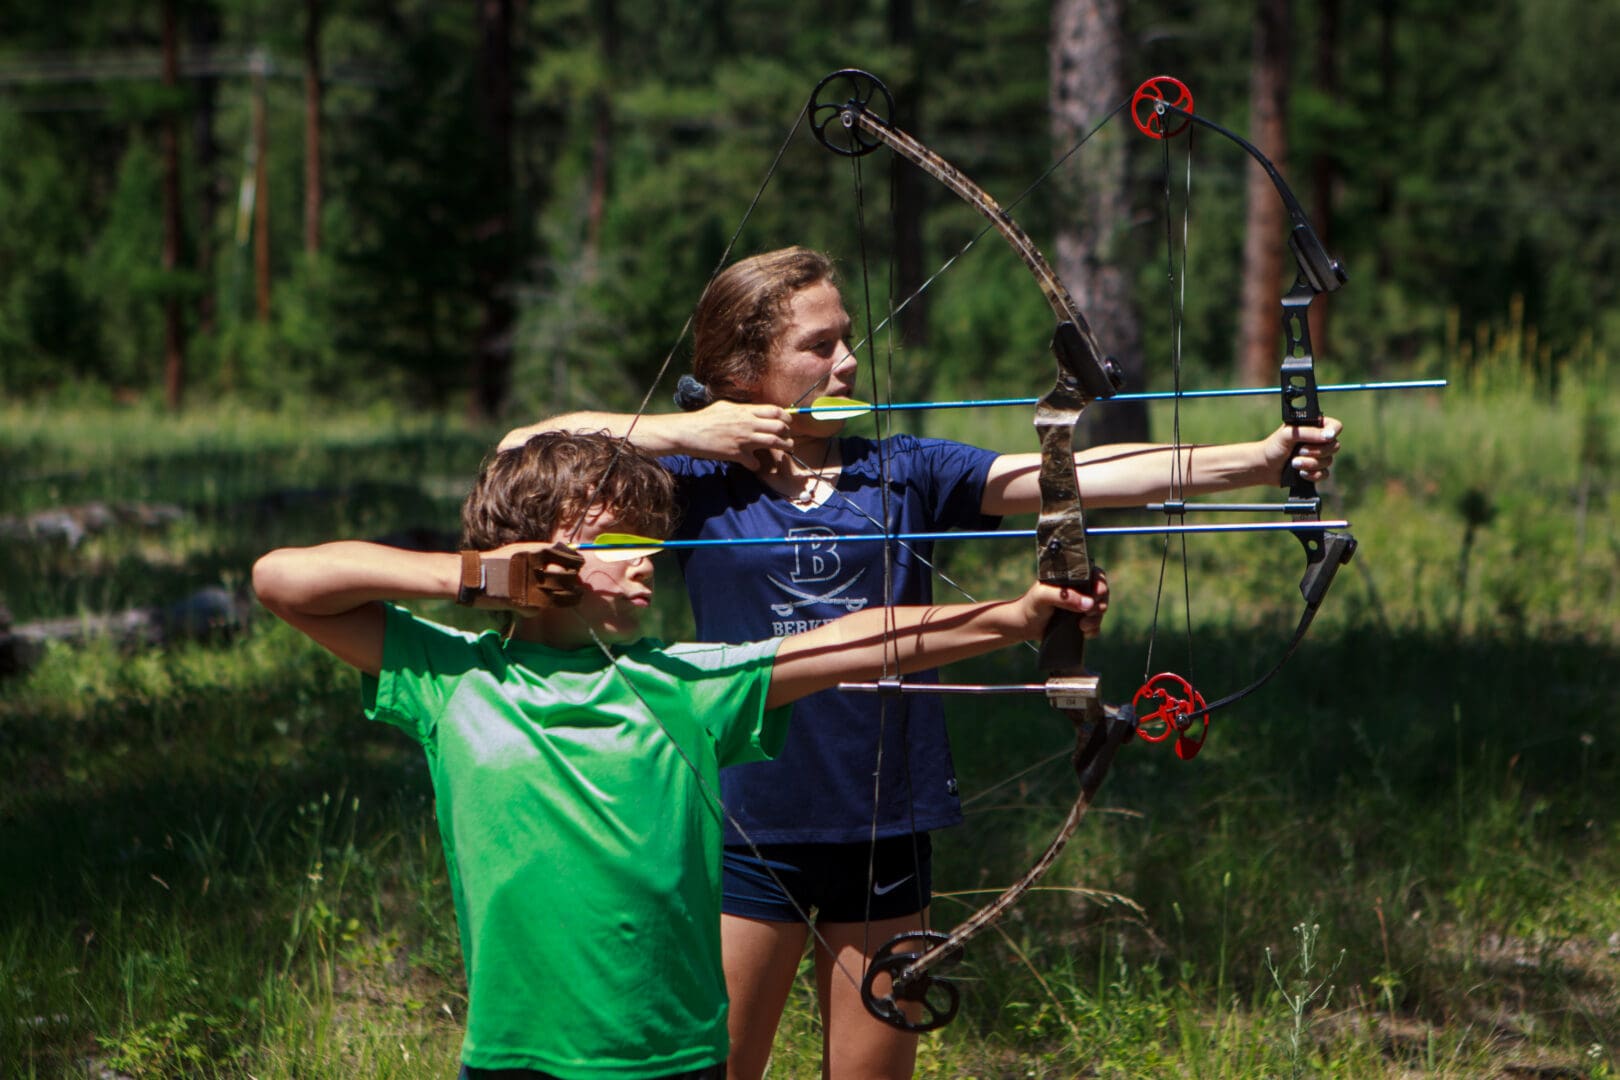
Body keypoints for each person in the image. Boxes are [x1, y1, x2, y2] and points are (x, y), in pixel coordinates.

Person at [500, 246, 1344, 1080]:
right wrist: (689, 430)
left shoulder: (903, 470)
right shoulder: (697, 479)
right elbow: (521, 447)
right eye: (819, 345)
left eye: (848, 338)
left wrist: (1262, 460)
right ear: (745, 364)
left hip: (887, 819)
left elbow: (1071, 472)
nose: (848, 360)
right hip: (744, 822)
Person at [251, 430, 1107, 1080]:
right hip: (514, 1052)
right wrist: (472, 576)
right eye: (621, 542)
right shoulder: (453, 678)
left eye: (650, 542)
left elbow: (857, 640)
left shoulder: (690, 682)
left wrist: (1016, 615)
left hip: (679, 1057)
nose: (651, 561)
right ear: (538, 549)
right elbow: (281, 580)